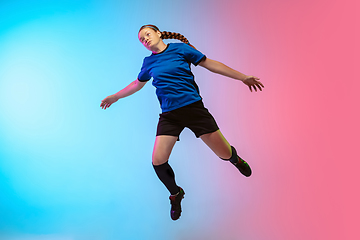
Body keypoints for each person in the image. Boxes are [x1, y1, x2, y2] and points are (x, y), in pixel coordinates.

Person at [100, 24, 264, 221]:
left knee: (224, 152)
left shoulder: (180, 49)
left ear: (158, 33)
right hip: (169, 115)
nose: (145, 39)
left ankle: (235, 159)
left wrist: (243, 77)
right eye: (142, 39)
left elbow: (211, 64)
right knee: (157, 161)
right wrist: (115, 97)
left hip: (194, 110)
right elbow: (137, 84)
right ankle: (176, 193)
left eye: (148, 34)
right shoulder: (148, 63)